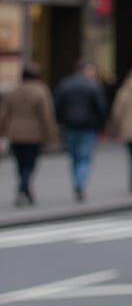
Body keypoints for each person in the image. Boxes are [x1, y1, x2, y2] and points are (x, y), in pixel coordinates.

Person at [0, 63, 59, 206]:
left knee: (20, 163)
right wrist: (52, 136)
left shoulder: (13, 92)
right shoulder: (41, 91)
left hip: (15, 133)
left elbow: (4, 114)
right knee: (30, 163)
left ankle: (24, 188)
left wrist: (2, 132)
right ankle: (23, 187)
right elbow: (46, 116)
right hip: (34, 134)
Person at [54, 60, 109, 202]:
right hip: (88, 127)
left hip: (70, 126)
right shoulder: (93, 86)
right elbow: (101, 108)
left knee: (75, 158)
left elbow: (58, 105)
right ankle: (80, 184)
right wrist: (102, 126)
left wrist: (60, 122)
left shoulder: (65, 84)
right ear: (86, 71)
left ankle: (77, 183)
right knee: (84, 158)